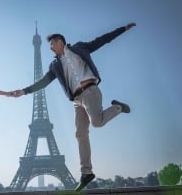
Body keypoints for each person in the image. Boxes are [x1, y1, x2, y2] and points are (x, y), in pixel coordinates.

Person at [11, 23, 136, 191]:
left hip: (90, 91)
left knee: (97, 123)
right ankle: (86, 173)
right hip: (77, 100)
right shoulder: (55, 66)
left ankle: (117, 107)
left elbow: (102, 40)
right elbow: (43, 82)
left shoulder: (79, 48)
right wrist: (25, 91)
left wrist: (122, 29)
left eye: (52, 45)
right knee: (80, 134)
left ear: (60, 42)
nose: (50, 49)